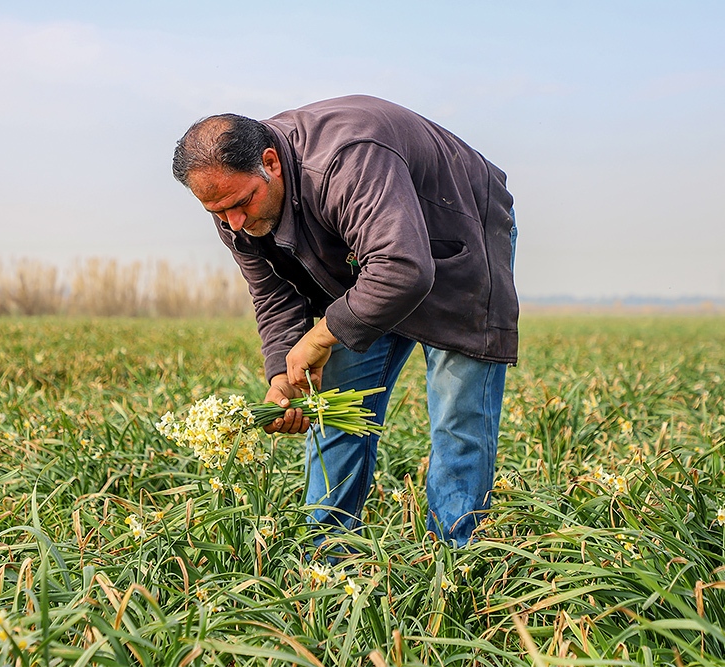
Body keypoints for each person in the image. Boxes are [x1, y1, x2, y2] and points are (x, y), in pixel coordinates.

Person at [171, 95, 518, 546]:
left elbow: (402, 268)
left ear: (270, 163)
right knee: (336, 412)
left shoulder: (344, 161)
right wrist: (282, 375)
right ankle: (327, 561)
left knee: (458, 416)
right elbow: (274, 293)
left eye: (241, 203)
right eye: (216, 212)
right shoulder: (234, 206)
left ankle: (456, 558)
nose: (233, 223)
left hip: (458, 239)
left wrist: (323, 332)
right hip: (370, 266)